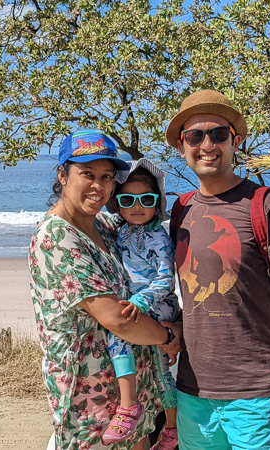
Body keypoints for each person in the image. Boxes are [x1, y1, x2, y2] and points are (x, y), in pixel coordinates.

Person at [166, 90, 270, 449]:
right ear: (182, 147)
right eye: (195, 136)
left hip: (258, 395)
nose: (207, 145)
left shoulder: (267, 206)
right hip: (193, 391)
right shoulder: (180, 211)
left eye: (218, 134)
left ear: (236, 141)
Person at [29, 129, 181, 450]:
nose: (98, 186)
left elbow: (145, 230)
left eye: (107, 176)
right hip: (89, 397)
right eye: (87, 174)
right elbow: (118, 320)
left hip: (128, 392)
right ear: (63, 175)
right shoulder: (57, 237)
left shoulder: (104, 225)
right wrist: (169, 337)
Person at [103, 159, 181, 449]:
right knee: (151, 367)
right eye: (127, 199)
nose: (137, 206)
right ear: (118, 204)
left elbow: (165, 280)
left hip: (158, 304)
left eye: (146, 199)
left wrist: (141, 300)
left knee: (160, 370)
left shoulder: (160, 237)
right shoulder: (120, 232)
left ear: (157, 203)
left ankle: (165, 425)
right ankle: (132, 407)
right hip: (138, 305)